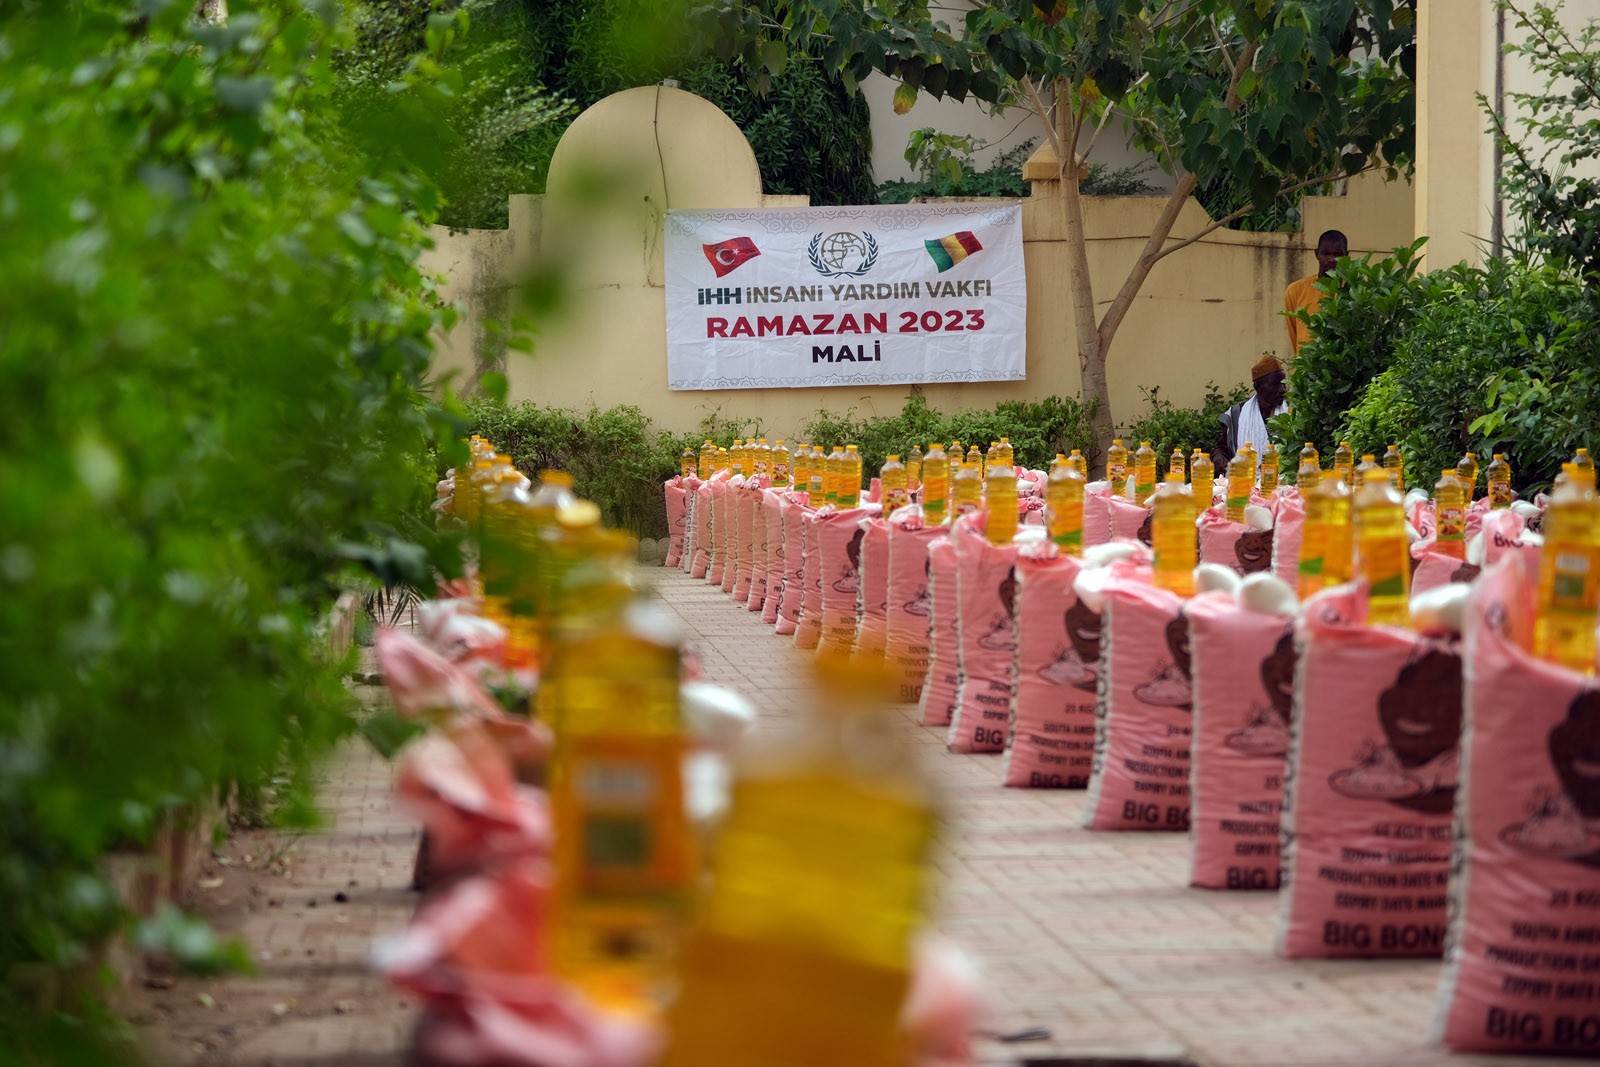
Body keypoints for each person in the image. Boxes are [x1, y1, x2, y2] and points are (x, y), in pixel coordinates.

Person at [1213, 354, 1287, 473]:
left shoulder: (1292, 412)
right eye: (1275, 384)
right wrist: (1219, 457)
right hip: (1245, 481)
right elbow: (1222, 448)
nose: (1282, 390)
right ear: (1257, 387)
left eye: (1284, 384)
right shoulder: (1237, 414)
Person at [1284, 229, 1348, 355]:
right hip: (1308, 365)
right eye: (1326, 253)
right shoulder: (1295, 290)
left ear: (1346, 256)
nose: (1331, 259)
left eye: (1338, 254)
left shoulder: (1354, 291)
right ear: (1317, 254)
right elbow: (1294, 335)